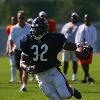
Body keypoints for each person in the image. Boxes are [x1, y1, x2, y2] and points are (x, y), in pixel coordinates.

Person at [20, 17, 82, 100]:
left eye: (38, 29)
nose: (36, 31)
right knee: (55, 98)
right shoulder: (27, 40)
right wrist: (27, 67)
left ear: (44, 29)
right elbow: (22, 61)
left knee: (65, 95)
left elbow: (66, 45)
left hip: (53, 71)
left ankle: (72, 90)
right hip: (40, 76)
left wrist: (77, 46)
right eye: (34, 28)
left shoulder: (53, 38)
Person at [9, 10, 31, 91]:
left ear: (24, 18)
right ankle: (22, 84)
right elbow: (12, 40)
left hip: (26, 51)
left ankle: (24, 85)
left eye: (22, 17)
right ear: (17, 18)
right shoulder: (14, 28)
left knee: (25, 68)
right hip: (18, 51)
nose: (21, 19)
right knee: (20, 69)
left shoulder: (29, 27)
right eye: (19, 17)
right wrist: (11, 49)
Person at [75, 14, 97, 83]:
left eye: (87, 18)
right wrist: (77, 44)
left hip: (88, 47)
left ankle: (86, 77)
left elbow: (94, 38)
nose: (86, 19)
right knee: (82, 63)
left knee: (87, 63)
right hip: (81, 47)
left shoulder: (93, 28)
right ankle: (88, 77)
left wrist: (88, 44)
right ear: (84, 19)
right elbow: (77, 36)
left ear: (90, 19)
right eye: (85, 18)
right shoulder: (81, 27)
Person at [61, 12, 80, 81]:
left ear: (77, 18)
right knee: (65, 61)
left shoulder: (79, 26)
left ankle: (74, 76)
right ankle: (65, 75)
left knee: (75, 61)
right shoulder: (66, 25)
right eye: (72, 16)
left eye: (75, 17)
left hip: (75, 46)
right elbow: (62, 34)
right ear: (70, 17)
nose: (73, 18)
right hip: (66, 46)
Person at [5, 16, 17, 83]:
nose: (13, 21)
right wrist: (7, 49)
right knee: (13, 65)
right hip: (11, 49)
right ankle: (13, 79)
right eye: (12, 19)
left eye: (14, 19)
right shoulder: (9, 27)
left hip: (19, 48)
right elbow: (9, 39)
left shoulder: (18, 27)